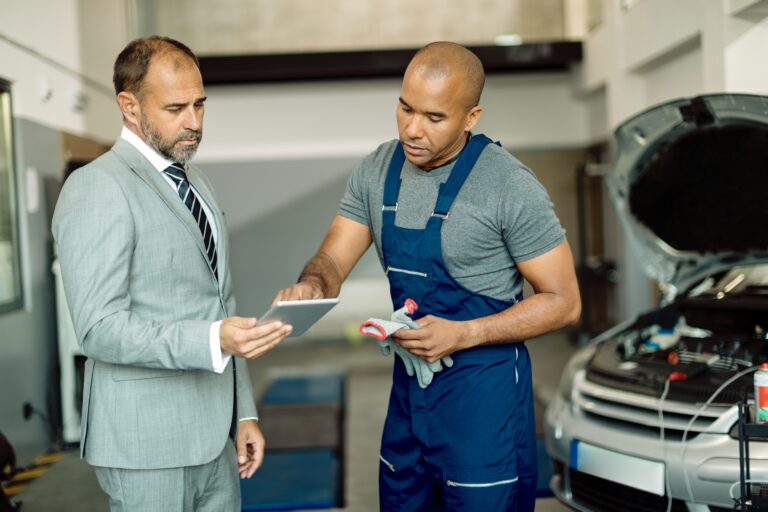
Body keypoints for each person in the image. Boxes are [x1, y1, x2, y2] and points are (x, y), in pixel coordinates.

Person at [275, 41, 581, 511]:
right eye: (405, 108)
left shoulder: (509, 185)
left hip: (484, 404)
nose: (413, 129)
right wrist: (312, 285)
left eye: (434, 118)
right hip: (409, 401)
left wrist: (465, 333)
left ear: (471, 117)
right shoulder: (377, 169)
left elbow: (564, 301)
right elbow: (332, 261)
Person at [52, 36, 292, 511]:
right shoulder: (97, 187)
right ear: (129, 106)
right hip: (146, 445)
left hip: (215, 438)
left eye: (200, 105)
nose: (195, 123)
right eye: (176, 108)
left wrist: (242, 412)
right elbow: (99, 329)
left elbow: (219, 304)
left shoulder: (194, 181)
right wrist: (212, 340)